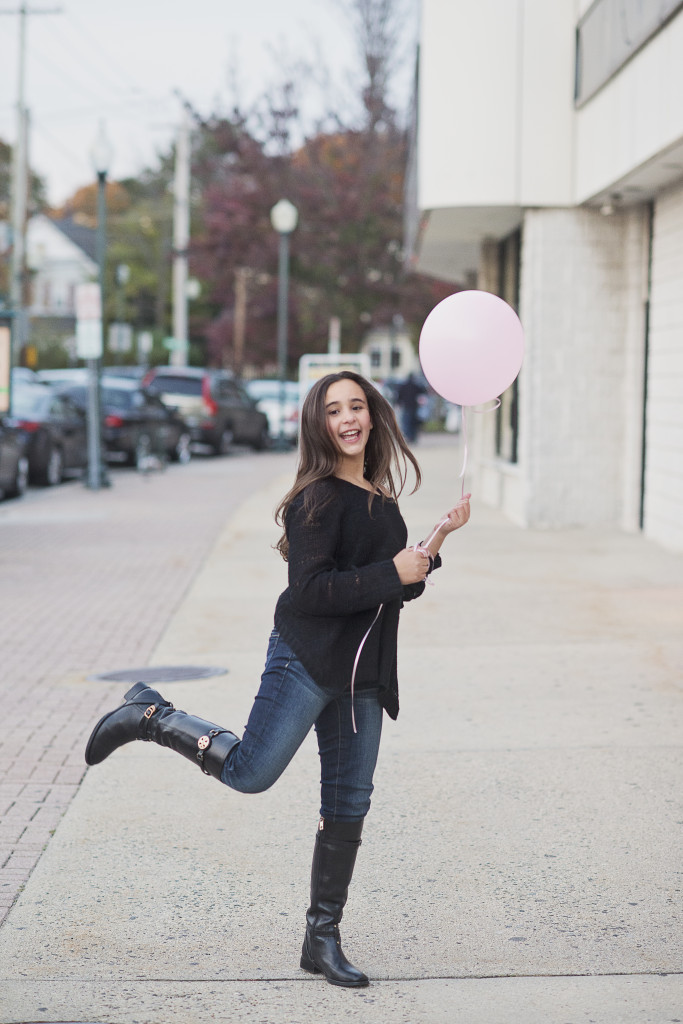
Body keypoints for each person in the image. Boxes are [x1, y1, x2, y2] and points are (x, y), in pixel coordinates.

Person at [84, 370, 471, 989]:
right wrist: (391, 574)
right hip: (306, 658)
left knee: (349, 802)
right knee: (251, 772)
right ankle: (152, 716)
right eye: (334, 410)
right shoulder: (313, 501)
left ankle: (322, 939)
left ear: (373, 417)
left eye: (357, 407)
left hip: (362, 674)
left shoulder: (382, 499)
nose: (348, 418)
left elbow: (388, 586)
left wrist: (433, 546)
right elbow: (312, 593)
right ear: (318, 424)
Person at [396, 372, 428, 443]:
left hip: (406, 406)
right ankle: (412, 437)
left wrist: (398, 403)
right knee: (413, 422)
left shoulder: (403, 386)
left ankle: (408, 436)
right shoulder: (416, 386)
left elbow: (399, 396)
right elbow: (423, 392)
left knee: (406, 422)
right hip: (414, 406)